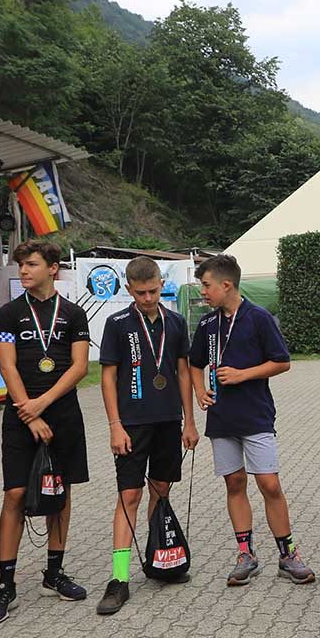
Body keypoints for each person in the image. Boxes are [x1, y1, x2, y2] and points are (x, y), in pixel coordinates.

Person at [189, 255, 315, 585]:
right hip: (221, 419)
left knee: (269, 484)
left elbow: (282, 362)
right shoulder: (207, 324)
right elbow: (193, 363)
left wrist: (244, 375)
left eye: (206, 285)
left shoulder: (258, 318)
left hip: (256, 415)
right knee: (234, 483)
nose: (203, 292)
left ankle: (288, 554)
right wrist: (200, 390)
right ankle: (245, 554)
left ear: (226, 285)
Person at [0, 239, 91, 625]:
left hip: (61, 415)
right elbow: (6, 367)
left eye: (31, 264)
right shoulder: (8, 313)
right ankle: (6, 584)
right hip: (20, 415)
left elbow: (79, 367)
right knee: (14, 493)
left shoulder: (74, 314)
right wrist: (29, 413)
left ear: (53, 268)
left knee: (59, 493)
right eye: (20, 265)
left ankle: (54, 573)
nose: (23, 271)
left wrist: (42, 404)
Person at [96, 257, 200, 615]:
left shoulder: (176, 322)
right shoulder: (117, 324)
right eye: (140, 292)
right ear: (128, 289)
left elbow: (183, 373)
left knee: (161, 490)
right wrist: (115, 425)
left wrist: (189, 422)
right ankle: (119, 579)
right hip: (132, 423)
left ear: (162, 284)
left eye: (153, 291)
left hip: (168, 421)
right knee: (129, 495)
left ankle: (159, 561)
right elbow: (108, 377)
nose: (147, 298)